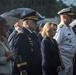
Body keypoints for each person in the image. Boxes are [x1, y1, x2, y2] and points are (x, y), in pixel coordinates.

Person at [54, 7, 76, 75]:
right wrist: (61, 62)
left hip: (70, 59)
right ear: (63, 17)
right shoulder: (61, 29)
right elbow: (56, 45)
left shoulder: (69, 28)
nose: (72, 18)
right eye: (70, 16)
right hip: (63, 59)